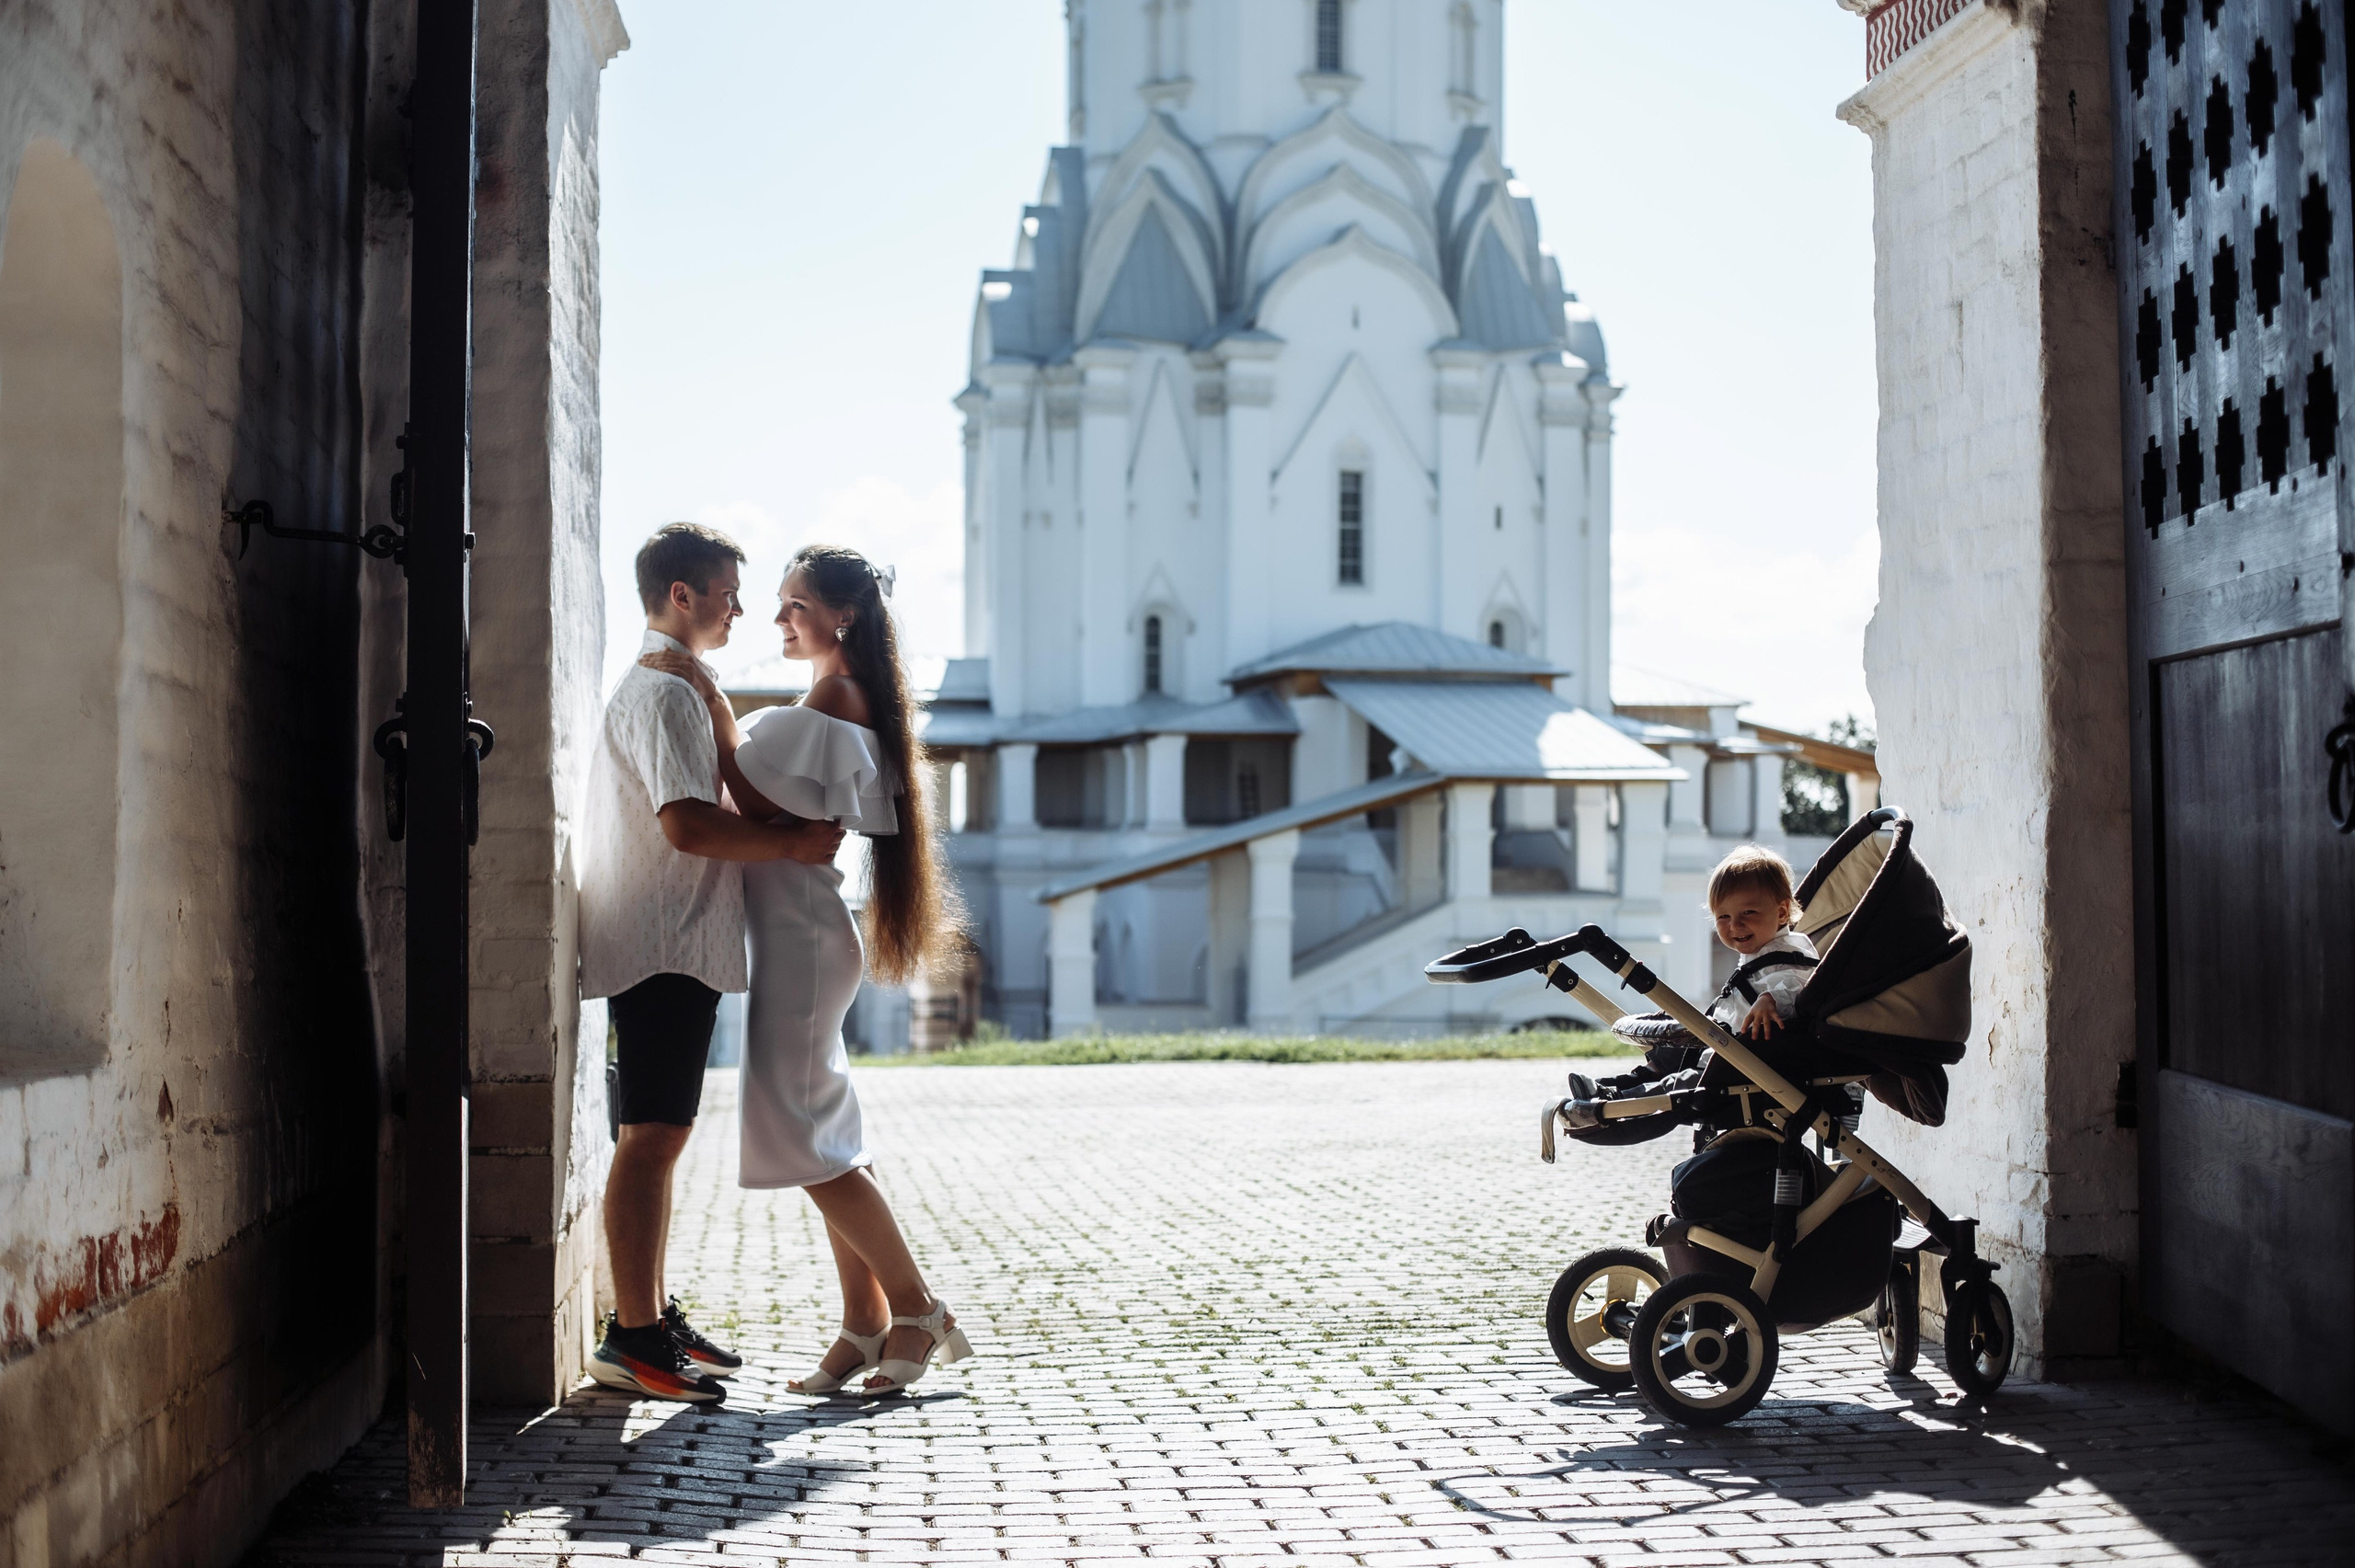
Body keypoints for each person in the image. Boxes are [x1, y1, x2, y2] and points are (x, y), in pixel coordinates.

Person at [642, 542, 973, 1398]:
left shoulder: (835, 693)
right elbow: (769, 806)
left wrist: (712, 709)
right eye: (780, 602)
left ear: (842, 615)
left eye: (793, 604)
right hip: (802, 939)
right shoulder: (838, 695)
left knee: (809, 1141)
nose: (780, 617)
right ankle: (864, 1326)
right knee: (820, 1135)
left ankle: (917, 1308)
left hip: (804, 942)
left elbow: (756, 802)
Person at [579, 522, 845, 1404]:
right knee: (651, 1135)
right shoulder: (663, 694)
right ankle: (634, 1336)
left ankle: (647, 1317)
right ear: (683, 595)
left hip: (675, 939)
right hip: (661, 941)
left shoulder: (685, 686)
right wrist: (795, 847)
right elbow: (687, 823)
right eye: (728, 591)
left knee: (659, 1132)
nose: (741, 607)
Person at [1700, 845, 1818, 1041]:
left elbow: (1801, 981)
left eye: (1748, 912)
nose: (1735, 925)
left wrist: (1770, 998)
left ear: (1781, 913)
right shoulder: (1757, 957)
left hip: (1745, 1058)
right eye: (1723, 916)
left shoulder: (1790, 951)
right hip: (1723, 1046)